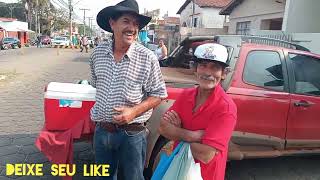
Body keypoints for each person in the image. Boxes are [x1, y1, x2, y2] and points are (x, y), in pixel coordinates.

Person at [90, 0, 168, 179]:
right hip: (102, 132)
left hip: (132, 135)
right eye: (126, 21)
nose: (132, 28)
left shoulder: (147, 58)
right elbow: (96, 84)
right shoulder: (97, 54)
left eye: (135, 24)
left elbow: (159, 94)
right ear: (112, 23)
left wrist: (134, 111)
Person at [159, 43, 237, 180]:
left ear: (224, 73)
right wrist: (193, 136)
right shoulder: (186, 95)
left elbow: (206, 154)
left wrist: (177, 133)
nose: (207, 73)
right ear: (195, 69)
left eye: (215, 67)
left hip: (206, 175)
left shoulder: (226, 108)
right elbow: (163, 128)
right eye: (203, 65)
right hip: (177, 169)